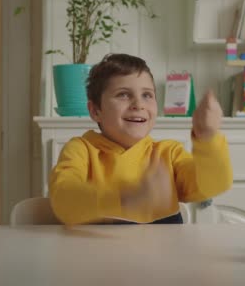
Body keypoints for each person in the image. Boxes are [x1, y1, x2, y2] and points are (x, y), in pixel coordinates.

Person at [49, 53, 233, 225]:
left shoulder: (169, 153)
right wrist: (125, 198)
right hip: (101, 255)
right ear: (96, 111)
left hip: (162, 255)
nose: (138, 104)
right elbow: (63, 200)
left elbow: (212, 185)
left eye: (147, 95)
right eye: (123, 94)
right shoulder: (80, 149)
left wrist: (208, 139)